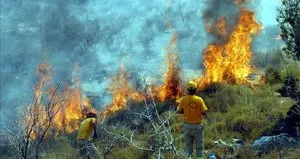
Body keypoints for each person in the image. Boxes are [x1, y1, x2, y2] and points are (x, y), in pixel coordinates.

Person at [177, 81, 208, 159]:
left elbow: (179, 111)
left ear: (188, 90)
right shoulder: (199, 100)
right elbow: (204, 112)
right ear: (196, 90)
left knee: (188, 148)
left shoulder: (183, 100)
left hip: (187, 126)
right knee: (199, 148)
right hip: (197, 127)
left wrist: (187, 110)